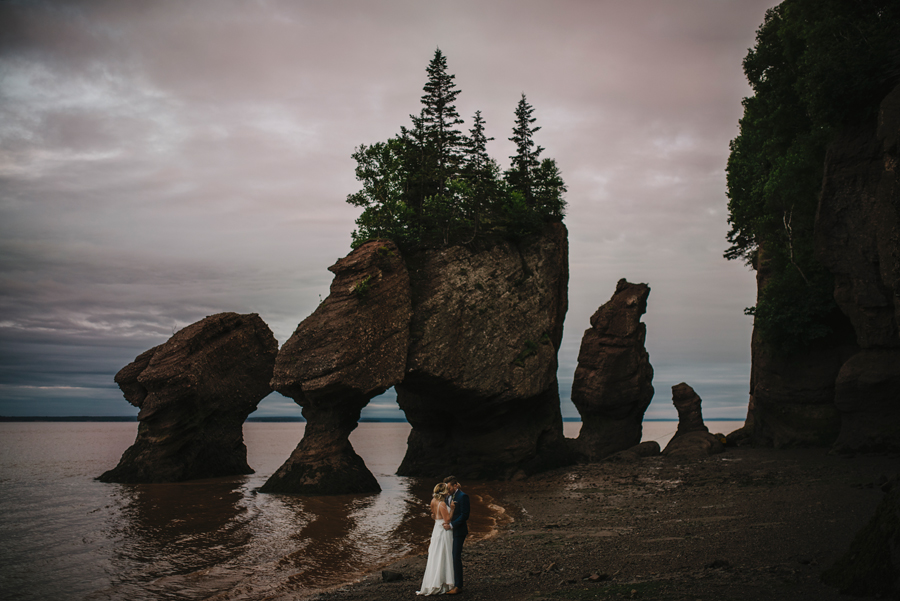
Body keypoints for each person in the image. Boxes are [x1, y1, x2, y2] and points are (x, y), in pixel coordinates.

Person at [416, 482, 456, 596]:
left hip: (436, 528)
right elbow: (447, 520)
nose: (448, 491)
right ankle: (443, 582)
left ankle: (436, 580)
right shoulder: (442, 503)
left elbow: (433, 515)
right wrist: (452, 509)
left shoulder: (433, 501)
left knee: (436, 554)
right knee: (444, 554)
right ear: (443, 492)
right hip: (443, 530)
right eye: (447, 490)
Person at [442, 475, 470, 595]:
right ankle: (450, 581)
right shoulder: (447, 496)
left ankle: (459, 586)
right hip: (448, 532)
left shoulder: (463, 496)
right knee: (448, 556)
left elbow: (464, 515)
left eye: (449, 488)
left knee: (455, 557)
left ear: (455, 486)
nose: (447, 490)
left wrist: (452, 525)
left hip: (459, 532)